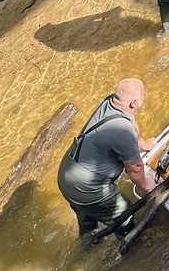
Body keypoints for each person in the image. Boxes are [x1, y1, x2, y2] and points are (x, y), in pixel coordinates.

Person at [58, 78, 156, 237]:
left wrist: (143, 144)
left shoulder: (110, 102)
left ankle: (87, 245)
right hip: (86, 187)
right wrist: (148, 187)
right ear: (134, 103)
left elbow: (131, 123)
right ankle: (125, 249)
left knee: (88, 221)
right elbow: (135, 169)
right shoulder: (122, 130)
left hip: (66, 175)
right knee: (125, 214)